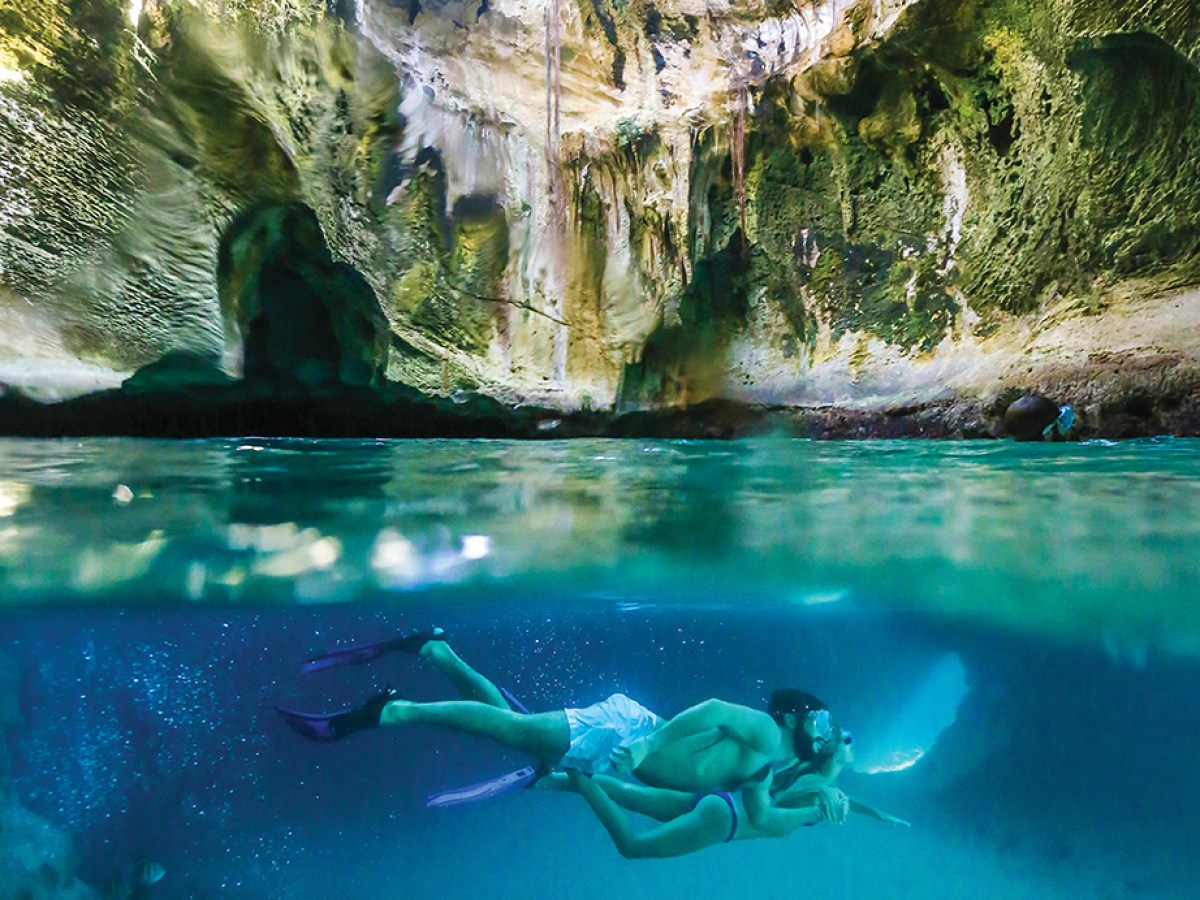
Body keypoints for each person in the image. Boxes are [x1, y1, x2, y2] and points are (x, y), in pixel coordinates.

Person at [277, 630, 847, 810]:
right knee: (511, 731)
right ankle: (394, 710)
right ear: (795, 719)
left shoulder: (766, 767)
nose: (823, 732)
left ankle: (436, 652)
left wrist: (823, 791)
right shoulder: (767, 731)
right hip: (626, 734)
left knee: (511, 725)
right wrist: (647, 750)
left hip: (619, 748)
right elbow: (716, 710)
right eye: (819, 721)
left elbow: (761, 814)